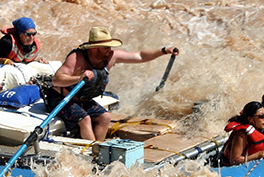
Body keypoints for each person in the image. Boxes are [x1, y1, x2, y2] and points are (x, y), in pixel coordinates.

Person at [46, 27, 179, 141]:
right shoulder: (77, 58)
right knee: (85, 119)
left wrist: (164, 50)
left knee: (105, 117)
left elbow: (140, 56)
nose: (109, 50)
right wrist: (79, 77)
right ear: (94, 48)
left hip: (83, 100)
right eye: (105, 47)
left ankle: (98, 148)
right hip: (61, 99)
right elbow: (57, 79)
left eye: (110, 47)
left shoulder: (111, 56)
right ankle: (92, 152)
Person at [221, 101, 264, 166]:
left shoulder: (263, 127)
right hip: (229, 166)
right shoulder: (242, 134)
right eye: (261, 116)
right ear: (250, 119)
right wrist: (257, 155)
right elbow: (234, 160)